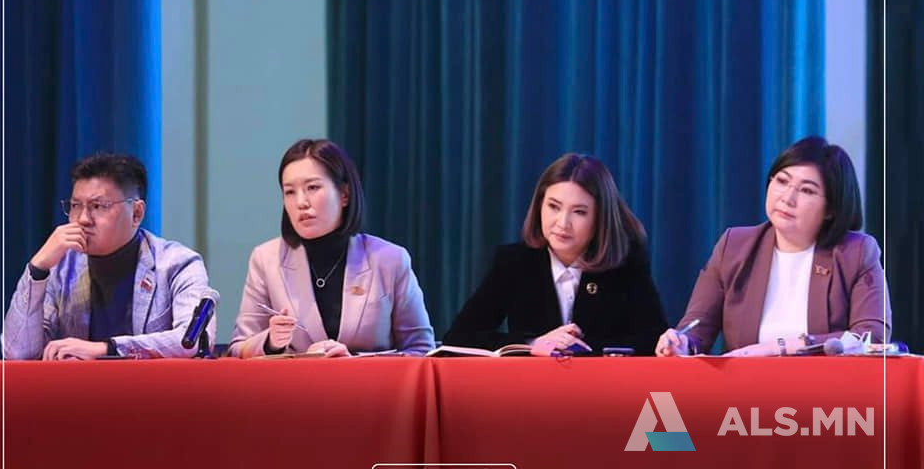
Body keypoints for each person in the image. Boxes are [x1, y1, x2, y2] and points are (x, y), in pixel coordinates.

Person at [656, 136, 892, 357]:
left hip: (826, 387)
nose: (787, 198)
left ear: (831, 209)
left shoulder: (856, 252)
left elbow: (871, 337)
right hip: (744, 387)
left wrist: (778, 347)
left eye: (807, 190)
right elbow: (696, 333)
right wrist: (681, 343)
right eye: (782, 181)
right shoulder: (734, 247)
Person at [443, 153, 668, 356]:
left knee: (658, 391)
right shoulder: (514, 262)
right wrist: (532, 344)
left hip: (603, 386)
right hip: (531, 386)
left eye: (579, 212)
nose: (562, 223)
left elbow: (653, 341)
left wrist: (581, 349)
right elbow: (459, 337)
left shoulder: (625, 264)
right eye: (554, 207)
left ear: (600, 218)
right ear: (539, 205)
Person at [228, 139, 435, 358]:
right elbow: (237, 349)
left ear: (344, 194)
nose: (301, 202)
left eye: (312, 188)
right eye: (290, 192)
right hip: (297, 381)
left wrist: (354, 362)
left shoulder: (390, 259)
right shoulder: (266, 259)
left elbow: (422, 351)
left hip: (368, 381)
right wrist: (270, 342)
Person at [2, 153, 215, 360]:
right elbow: (18, 353)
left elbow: (194, 340)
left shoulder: (178, 264)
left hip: (154, 385)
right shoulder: (60, 268)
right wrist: (38, 269)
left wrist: (107, 349)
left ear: (137, 213)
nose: (83, 219)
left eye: (98, 206)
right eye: (75, 206)